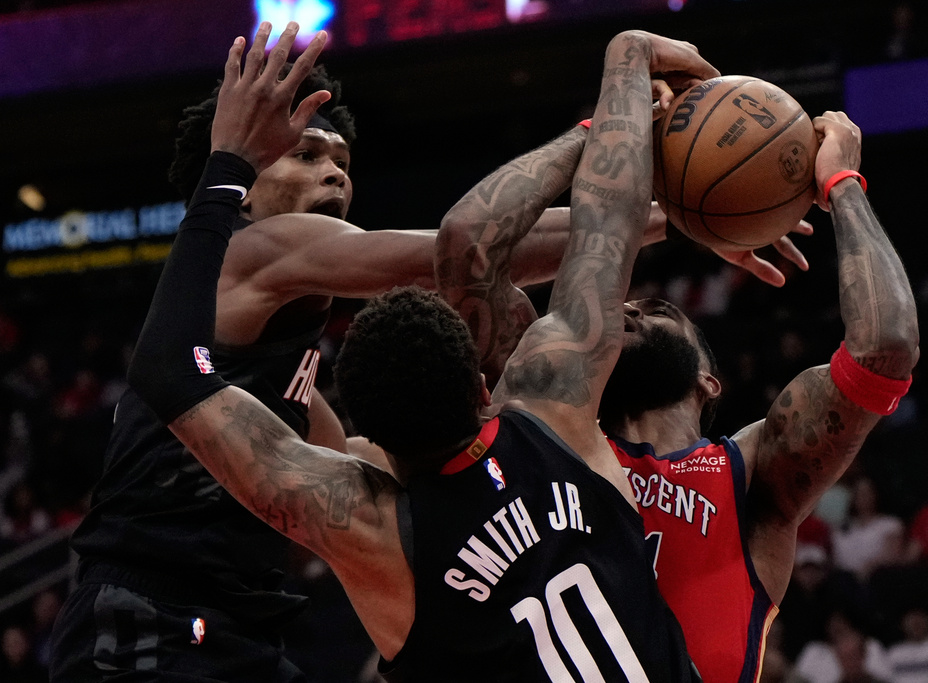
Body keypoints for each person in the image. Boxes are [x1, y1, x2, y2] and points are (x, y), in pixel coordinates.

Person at [46, 19, 700, 683]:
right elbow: (453, 255)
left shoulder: (289, 325)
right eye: (305, 156)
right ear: (241, 190)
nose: (333, 173)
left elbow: (346, 454)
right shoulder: (255, 247)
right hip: (148, 618)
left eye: (342, 163)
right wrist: (675, 213)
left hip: (233, 620)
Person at [444, 104, 920, 682]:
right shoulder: (540, 426)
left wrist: (841, 181)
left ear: (707, 380)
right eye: (631, 305)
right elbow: (470, 251)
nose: (631, 306)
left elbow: (885, 350)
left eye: (660, 311)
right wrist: (612, 127)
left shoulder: (753, 473)